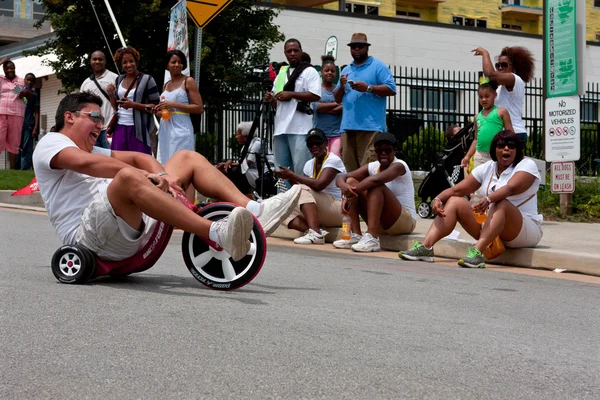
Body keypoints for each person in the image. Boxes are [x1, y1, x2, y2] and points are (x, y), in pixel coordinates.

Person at [32, 93, 302, 263]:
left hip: (125, 225)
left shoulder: (96, 148)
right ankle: (216, 233)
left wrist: (163, 176)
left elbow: (140, 158)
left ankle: (256, 211)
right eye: (94, 118)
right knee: (127, 176)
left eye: (103, 119)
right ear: (69, 117)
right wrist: (145, 175)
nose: (101, 125)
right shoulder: (51, 142)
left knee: (186, 157)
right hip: (88, 237)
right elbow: (86, 164)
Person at [399, 130, 543, 269]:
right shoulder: (488, 168)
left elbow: (510, 188)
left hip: (524, 229)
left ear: (517, 150)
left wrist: (488, 199)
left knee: (502, 203)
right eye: (501, 146)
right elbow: (457, 189)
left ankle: (477, 252)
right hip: (492, 228)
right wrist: (437, 199)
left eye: (511, 146)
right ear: (494, 150)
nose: (506, 149)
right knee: (455, 201)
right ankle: (426, 246)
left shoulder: (526, 165)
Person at [334, 132, 417, 252]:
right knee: (351, 181)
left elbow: (376, 180)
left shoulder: (399, 165)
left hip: (404, 222)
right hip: (383, 222)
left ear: (394, 150)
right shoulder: (373, 166)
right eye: (379, 150)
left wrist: (351, 193)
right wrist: (346, 188)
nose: (383, 153)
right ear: (375, 151)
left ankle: (372, 238)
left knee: (376, 186)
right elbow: (342, 177)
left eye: (387, 150)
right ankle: (356, 235)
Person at [333, 33, 396, 172]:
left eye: (360, 46)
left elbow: (392, 89)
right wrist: (342, 87)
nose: (356, 49)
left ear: (367, 48)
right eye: (353, 47)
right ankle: (350, 195)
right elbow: (337, 99)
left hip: (371, 128)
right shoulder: (346, 69)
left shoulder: (378, 66)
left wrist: (368, 88)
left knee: (368, 171)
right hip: (348, 128)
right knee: (349, 172)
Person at [276, 128, 346, 244]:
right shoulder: (309, 164)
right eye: (310, 144)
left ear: (325, 144)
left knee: (300, 189)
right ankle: (314, 231)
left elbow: (319, 185)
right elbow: (302, 190)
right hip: (319, 209)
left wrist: (293, 175)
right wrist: (289, 178)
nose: (314, 146)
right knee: (281, 208)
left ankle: (315, 232)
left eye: (318, 142)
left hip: (338, 209)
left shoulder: (333, 160)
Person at [264, 39, 321, 179]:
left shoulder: (309, 71)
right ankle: (284, 199)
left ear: (301, 52)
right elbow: (278, 104)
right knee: (281, 172)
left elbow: (315, 95)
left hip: (300, 129)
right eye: (289, 51)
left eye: (295, 50)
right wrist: (271, 100)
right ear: (285, 54)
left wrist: (292, 94)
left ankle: (303, 199)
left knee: (300, 171)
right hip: (281, 129)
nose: (292, 53)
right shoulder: (281, 73)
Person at [472, 46, 535, 150]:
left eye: (504, 65)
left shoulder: (515, 79)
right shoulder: (500, 87)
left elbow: (490, 75)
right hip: (501, 134)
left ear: (514, 67)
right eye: (498, 65)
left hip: (515, 133)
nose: (500, 68)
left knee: (509, 166)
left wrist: (485, 53)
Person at [107, 46, 159, 154]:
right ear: (120, 65)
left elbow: (156, 107)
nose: (128, 65)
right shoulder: (119, 79)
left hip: (139, 130)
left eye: (131, 61)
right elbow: (115, 106)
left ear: (136, 61)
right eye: (124, 62)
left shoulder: (147, 79)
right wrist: (111, 94)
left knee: (141, 163)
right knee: (119, 162)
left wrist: (133, 105)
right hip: (120, 127)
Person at [155, 50, 203, 165]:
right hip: (166, 128)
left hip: (181, 126)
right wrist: (157, 111)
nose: (177, 65)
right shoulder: (166, 85)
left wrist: (173, 105)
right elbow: (164, 110)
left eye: (180, 62)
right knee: (165, 161)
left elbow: (199, 107)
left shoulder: (188, 81)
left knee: (181, 162)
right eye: (173, 62)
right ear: (167, 65)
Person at [461, 78, 513, 169]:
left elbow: (511, 134)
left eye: (487, 96)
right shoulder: (477, 117)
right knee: (478, 181)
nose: (483, 99)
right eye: (481, 97)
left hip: (496, 155)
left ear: (495, 95)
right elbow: (476, 140)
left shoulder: (501, 112)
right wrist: (467, 157)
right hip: (479, 155)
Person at [216, 121, 267, 198]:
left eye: (238, 134)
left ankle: (243, 196)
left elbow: (248, 162)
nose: (236, 136)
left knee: (234, 170)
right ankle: (228, 195)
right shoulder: (245, 146)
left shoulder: (257, 143)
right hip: (252, 172)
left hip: (262, 174)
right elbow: (242, 162)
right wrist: (229, 163)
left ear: (245, 136)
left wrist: (230, 163)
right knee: (228, 169)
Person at [80, 50, 118, 149]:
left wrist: (112, 94)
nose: (97, 61)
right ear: (90, 61)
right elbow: (83, 107)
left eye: (100, 59)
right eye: (95, 59)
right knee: (97, 160)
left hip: (111, 128)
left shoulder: (115, 78)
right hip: (93, 130)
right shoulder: (86, 83)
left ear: (105, 61)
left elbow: (122, 103)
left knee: (112, 158)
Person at [0, 57, 30, 169]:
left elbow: (26, 93)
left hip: (16, 114)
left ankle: (12, 169)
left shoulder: (21, 81)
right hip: (1, 113)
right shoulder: (1, 79)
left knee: (14, 142)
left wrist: (23, 92)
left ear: (15, 68)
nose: (9, 71)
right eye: (6, 69)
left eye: (11, 68)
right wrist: (1, 62)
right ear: (3, 70)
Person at [313, 55, 342, 156]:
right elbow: (316, 107)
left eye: (332, 71)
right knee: (321, 163)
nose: (330, 73)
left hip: (336, 134)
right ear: (321, 72)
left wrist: (324, 107)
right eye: (327, 70)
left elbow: (343, 108)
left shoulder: (338, 90)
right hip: (320, 135)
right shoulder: (317, 89)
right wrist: (336, 104)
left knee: (334, 161)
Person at [14, 73, 39, 170]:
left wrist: (36, 127)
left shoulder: (34, 95)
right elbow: (15, 92)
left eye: (32, 80)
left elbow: (36, 112)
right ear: (24, 80)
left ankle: (24, 169)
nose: (29, 82)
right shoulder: (18, 90)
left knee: (26, 148)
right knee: (16, 147)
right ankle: (15, 168)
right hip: (17, 123)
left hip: (28, 124)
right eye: (28, 80)